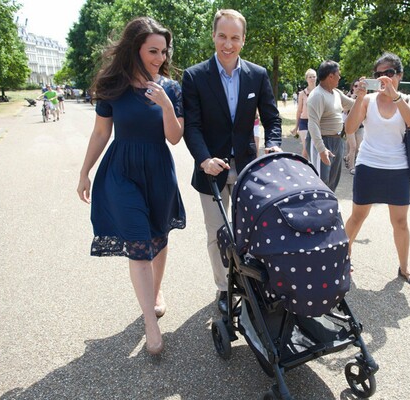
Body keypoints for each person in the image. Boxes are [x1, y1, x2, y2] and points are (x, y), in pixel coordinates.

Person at [76, 17, 186, 356]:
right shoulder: (113, 85)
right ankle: (150, 326)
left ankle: (156, 292)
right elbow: (100, 133)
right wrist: (84, 172)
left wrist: (166, 104)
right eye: (152, 50)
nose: (159, 58)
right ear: (134, 48)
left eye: (163, 52)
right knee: (138, 242)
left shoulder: (171, 87)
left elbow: (175, 137)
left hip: (157, 169)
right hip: (121, 170)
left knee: (158, 235)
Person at [182, 9, 282, 315]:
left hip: (248, 170)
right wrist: (203, 159)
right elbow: (193, 127)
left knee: (252, 232)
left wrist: (274, 145)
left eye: (234, 37)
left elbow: (272, 118)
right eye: (222, 36)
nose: (228, 44)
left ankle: (253, 283)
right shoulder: (194, 76)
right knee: (217, 234)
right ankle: (224, 289)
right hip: (210, 171)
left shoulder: (258, 74)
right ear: (213, 35)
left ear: (243, 39)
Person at [344, 52, 410, 287]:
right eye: (379, 74)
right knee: (358, 216)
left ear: (399, 75)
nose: (384, 78)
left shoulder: (408, 100)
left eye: (389, 73)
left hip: (398, 168)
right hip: (368, 165)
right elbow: (349, 127)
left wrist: (395, 96)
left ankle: (404, 268)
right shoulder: (368, 101)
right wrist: (359, 97)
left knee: (400, 222)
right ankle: (343, 259)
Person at [307, 60, 354, 191]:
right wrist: (321, 149)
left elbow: (352, 104)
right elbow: (313, 124)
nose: (340, 77)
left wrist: (364, 96)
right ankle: (317, 209)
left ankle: (328, 208)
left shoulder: (336, 93)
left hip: (337, 140)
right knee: (321, 182)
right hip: (323, 141)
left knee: (333, 181)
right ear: (330, 76)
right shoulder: (317, 95)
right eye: (338, 74)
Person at [291, 68, 317, 160]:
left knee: (316, 148)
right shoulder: (302, 94)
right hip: (304, 122)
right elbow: (299, 111)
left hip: (316, 122)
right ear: (306, 79)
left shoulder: (320, 92)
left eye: (314, 77)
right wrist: (296, 126)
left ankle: (314, 168)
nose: (312, 79)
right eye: (310, 77)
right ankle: (303, 167)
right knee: (306, 146)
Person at [343, 79, 364, 175]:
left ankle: (348, 158)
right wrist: (353, 98)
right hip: (350, 125)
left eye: (359, 86)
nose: (357, 88)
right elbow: (344, 110)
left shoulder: (364, 97)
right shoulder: (348, 97)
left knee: (359, 147)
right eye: (355, 86)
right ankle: (352, 167)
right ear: (352, 87)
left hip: (360, 125)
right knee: (353, 146)